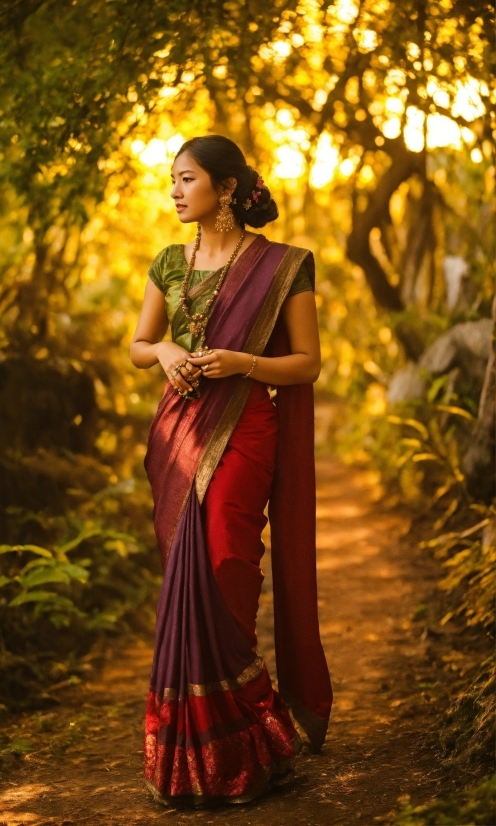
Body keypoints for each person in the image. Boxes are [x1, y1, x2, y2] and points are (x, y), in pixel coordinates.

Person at [130, 134, 332, 806]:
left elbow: (307, 363)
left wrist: (243, 363)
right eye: (173, 180)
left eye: (186, 179)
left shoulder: (282, 266)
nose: (175, 191)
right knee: (185, 572)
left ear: (224, 188)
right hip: (178, 432)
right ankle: (204, 755)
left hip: (246, 425)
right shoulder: (168, 261)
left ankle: (252, 737)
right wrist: (163, 352)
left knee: (225, 567)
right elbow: (137, 345)